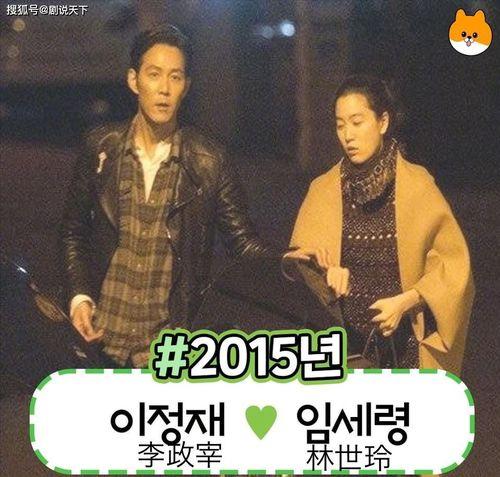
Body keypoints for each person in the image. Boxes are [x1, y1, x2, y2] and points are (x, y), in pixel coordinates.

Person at [61, 24, 284, 367]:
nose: (164, 88)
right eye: (154, 74)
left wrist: (292, 261)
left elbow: (243, 244)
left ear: (186, 86)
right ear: (134, 80)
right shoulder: (101, 146)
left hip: (167, 353)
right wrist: (80, 297)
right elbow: (73, 231)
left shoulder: (209, 161)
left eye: (175, 77)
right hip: (100, 344)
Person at [290, 75, 474, 374]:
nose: (348, 135)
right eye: (340, 125)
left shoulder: (417, 186)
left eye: (357, 122)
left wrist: (406, 301)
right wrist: (324, 274)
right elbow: (297, 265)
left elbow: (453, 269)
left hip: (406, 351)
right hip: (346, 351)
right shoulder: (323, 190)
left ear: (383, 122)